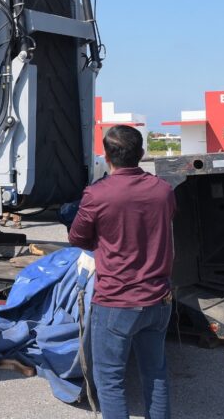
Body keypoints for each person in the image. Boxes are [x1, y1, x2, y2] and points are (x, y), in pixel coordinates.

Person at [68, 125, 176, 419]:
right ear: (141, 154)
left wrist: (103, 240)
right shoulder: (163, 190)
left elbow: (77, 237)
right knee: (155, 374)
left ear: (106, 156)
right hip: (158, 298)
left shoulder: (98, 194)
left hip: (116, 300)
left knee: (110, 380)